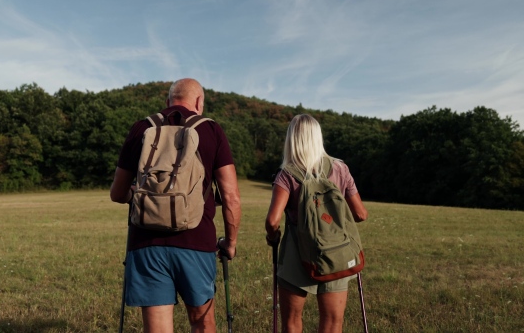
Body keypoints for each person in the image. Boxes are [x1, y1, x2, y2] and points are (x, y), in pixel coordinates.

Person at [110, 78, 241, 333]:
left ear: (167, 101)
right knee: (202, 323)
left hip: (147, 243)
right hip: (196, 241)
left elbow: (117, 193)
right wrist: (231, 243)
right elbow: (231, 196)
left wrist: (133, 196)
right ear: (199, 102)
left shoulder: (141, 128)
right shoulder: (211, 130)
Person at [264, 114, 368, 333]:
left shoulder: (287, 174)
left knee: (292, 322)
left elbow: (272, 221)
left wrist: (273, 237)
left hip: (296, 253)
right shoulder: (340, 169)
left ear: (292, 139)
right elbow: (360, 214)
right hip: (336, 252)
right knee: (332, 323)